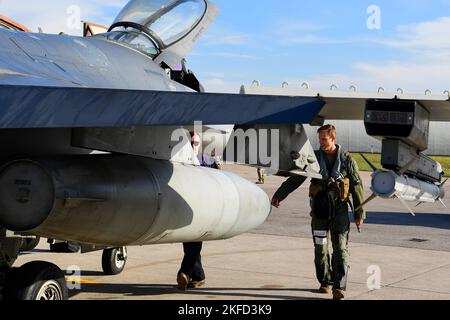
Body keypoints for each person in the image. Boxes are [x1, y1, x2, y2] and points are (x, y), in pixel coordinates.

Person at [271, 124, 366, 300]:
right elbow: (296, 178)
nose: (321, 143)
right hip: (319, 210)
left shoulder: (347, 160)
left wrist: (360, 214)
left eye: (324, 139)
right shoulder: (313, 158)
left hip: (339, 210)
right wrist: (279, 195)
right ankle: (325, 281)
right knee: (320, 246)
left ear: (333, 138)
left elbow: (357, 187)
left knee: (340, 248)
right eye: (319, 139)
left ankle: (339, 286)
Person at [177, 132, 220, 290]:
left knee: (193, 245)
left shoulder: (207, 161)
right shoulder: (181, 161)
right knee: (190, 244)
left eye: (195, 143)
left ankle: (184, 273)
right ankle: (198, 276)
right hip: (187, 210)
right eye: (190, 143)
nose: (192, 146)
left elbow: (219, 183)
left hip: (203, 211)